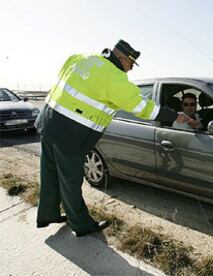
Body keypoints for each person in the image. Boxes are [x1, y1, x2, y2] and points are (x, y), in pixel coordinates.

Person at [35, 39, 188, 237]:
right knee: (70, 180)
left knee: (49, 172)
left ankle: (48, 214)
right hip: (71, 134)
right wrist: (175, 116)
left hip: (48, 123)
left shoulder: (80, 58)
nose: (130, 69)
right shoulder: (113, 76)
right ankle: (81, 225)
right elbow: (142, 107)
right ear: (122, 58)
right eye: (131, 64)